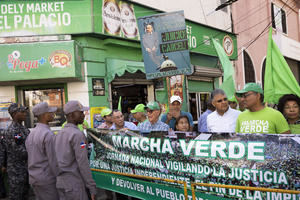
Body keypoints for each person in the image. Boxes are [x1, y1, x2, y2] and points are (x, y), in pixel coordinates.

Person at [55, 100, 96, 200]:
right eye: (81, 112)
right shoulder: (77, 135)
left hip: (61, 183)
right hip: (74, 185)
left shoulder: (60, 133)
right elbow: (82, 163)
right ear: (72, 115)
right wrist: (91, 186)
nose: (83, 115)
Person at [25, 102, 59, 199]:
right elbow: (53, 161)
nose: (53, 114)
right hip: (47, 179)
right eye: (50, 112)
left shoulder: (31, 133)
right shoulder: (48, 134)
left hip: (34, 178)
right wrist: (60, 178)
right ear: (44, 115)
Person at [0, 103, 30, 200]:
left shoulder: (24, 129)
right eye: (22, 112)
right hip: (16, 172)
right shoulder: (12, 131)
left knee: (26, 196)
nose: (25, 113)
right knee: (16, 196)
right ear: (14, 114)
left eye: (25, 111)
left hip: (25, 170)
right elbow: (20, 151)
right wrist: (36, 154)